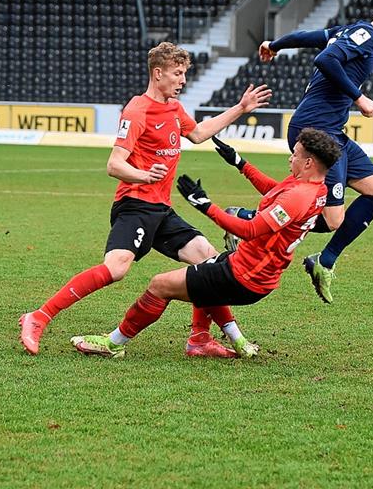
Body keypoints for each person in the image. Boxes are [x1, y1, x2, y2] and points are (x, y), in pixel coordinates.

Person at [19, 41, 271, 358]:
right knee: (116, 269)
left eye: (184, 74)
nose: (182, 80)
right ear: (158, 73)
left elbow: (198, 133)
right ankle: (38, 317)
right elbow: (115, 164)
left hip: (162, 211)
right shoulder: (137, 110)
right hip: (135, 205)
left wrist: (240, 108)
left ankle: (200, 339)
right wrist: (143, 175)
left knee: (207, 259)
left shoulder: (174, 109)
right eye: (177, 74)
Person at [69, 129, 342, 358]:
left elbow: (249, 230)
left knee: (159, 285)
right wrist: (239, 163)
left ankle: (113, 344)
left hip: (244, 275)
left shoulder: (299, 196)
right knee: (203, 269)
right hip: (255, 272)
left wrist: (205, 205)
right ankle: (217, 341)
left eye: (295, 154)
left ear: (309, 162)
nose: (290, 158)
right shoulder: (315, 189)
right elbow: (275, 190)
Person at [256, 0, 373, 303]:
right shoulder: (368, 36)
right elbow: (324, 59)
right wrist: (359, 98)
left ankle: (325, 261)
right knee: (333, 219)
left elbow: (311, 38)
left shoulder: (352, 31)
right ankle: (249, 219)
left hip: (334, 131)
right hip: (318, 130)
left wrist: (275, 45)